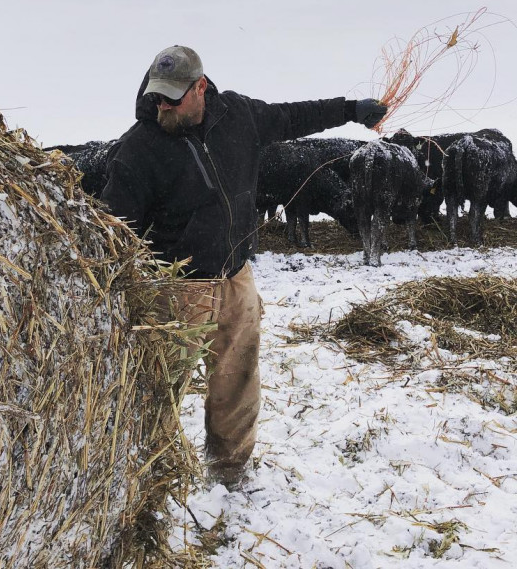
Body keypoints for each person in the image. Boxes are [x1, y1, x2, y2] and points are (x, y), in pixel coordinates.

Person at [100, 45, 386, 488]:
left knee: (237, 377)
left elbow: (294, 116)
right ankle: (147, 475)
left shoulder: (237, 115)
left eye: (173, 98)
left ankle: (229, 470)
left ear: (200, 89)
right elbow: (114, 233)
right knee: (158, 388)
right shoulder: (137, 150)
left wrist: (351, 110)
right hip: (176, 290)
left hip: (236, 275)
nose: (163, 106)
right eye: (157, 97)